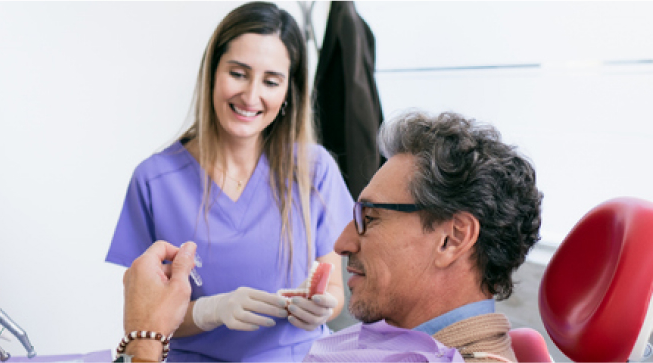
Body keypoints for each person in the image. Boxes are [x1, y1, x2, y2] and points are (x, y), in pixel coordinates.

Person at [117, 111, 544, 363]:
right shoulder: (395, 340)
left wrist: (146, 337)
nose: (341, 243)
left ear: (452, 239)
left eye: (370, 218)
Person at [105, 2, 355, 361]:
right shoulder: (155, 181)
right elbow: (145, 316)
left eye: (271, 81)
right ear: (212, 72)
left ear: (288, 92)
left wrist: (321, 306)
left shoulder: (314, 170)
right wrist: (210, 312)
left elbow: (333, 287)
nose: (252, 96)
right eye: (238, 73)